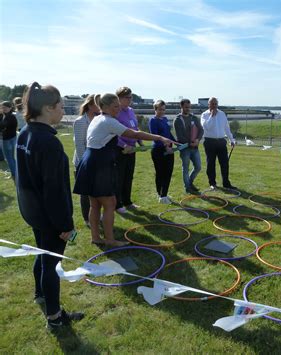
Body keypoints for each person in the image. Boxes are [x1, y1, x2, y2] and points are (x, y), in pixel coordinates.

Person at [16, 82, 84, 330]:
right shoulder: (48, 142)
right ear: (47, 108)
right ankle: (55, 317)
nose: (63, 110)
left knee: (42, 254)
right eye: (60, 106)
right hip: (48, 216)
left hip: (33, 212)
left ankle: (40, 294)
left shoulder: (26, 132)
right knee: (51, 264)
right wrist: (65, 224)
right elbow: (54, 191)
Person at [73, 93, 175, 247]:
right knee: (110, 203)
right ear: (105, 107)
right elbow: (134, 133)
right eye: (115, 106)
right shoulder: (108, 121)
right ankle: (110, 239)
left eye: (119, 106)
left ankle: (96, 237)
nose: (118, 109)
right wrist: (160, 138)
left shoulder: (97, 119)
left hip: (90, 162)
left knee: (95, 204)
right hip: (99, 165)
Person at [73, 95, 100, 226]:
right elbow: (79, 145)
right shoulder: (80, 122)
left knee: (95, 191)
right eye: (98, 104)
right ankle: (87, 219)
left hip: (95, 162)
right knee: (85, 193)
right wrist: (86, 164)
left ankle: (95, 215)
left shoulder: (98, 120)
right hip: (83, 163)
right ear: (90, 105)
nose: (100, 107)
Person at [115, 86, 141, 214]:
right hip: (121, 150)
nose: (130, 99)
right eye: (127, 97)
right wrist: (124, 146)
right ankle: (118, 204)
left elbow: (135, 128)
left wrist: (139, 141)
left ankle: (127, 201)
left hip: (132, 149)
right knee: (120, 177)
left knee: (129, 176)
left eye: (131, 97)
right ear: (119, 98)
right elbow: (113, 133)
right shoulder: (115, 112)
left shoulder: (131, 110)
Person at [200, 97, 236, 190]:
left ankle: (226, 183)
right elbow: (207, 127)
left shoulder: (222, 114)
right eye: (212, 104)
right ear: (208, 105)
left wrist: (231, 140)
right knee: (211, 163)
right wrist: (212, 116)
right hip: (209, 141)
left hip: (221, 141)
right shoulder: (204, 115)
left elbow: (226, 128)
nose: (214, 106)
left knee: (224, 163)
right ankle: (212, 183)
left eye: (215, 104)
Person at [149, 100, 176, 203]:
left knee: (168, 173)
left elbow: (168, 134)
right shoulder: (153, 120)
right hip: (158, 150)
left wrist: (176, 142)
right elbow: (155, 137)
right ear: (155, 109)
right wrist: (166, 147)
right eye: (160, 109)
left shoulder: (165, 119)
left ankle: (164, 194)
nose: (162, 111)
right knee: (160, 173)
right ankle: (160, 196)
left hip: (169, 149)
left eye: (164, 109)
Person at [174, 98, 203, 194]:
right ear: (181, 106)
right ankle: (187, 187)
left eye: (189, 107)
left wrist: (198, 140)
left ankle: (189, 183)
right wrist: (190, 143)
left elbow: (201, 130)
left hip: (195, 148)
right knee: (185, 168)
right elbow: (179, 136)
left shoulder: (194, 118)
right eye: (186, 107)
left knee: (198, 167)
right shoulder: (177, 120)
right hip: (185, 149)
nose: (188, 109)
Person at [0, 101, 18, 180]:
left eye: (5, 107)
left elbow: (3, 127)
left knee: (9, 158)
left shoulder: (10, 116)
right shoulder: (5, 116)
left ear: (10, 108)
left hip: (8, 139)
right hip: (11, 138)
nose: (3, 109)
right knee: (11, 158)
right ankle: (15, 172)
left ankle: (14, 174)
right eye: (2, 107)